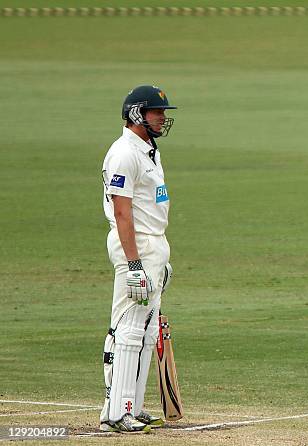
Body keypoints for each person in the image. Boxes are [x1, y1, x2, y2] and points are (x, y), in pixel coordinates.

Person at [99, 85, 177, 432]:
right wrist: (133, 264)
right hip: (137, 247)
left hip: (153, 246)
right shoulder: (123, 153)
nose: (162, 117)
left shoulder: (149, 151)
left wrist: (160, 259)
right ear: (136, 114)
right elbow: (122, 213)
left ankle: (133, 404)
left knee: (146, 332)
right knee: (128, 330)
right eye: (156, 112)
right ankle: (116, 413)